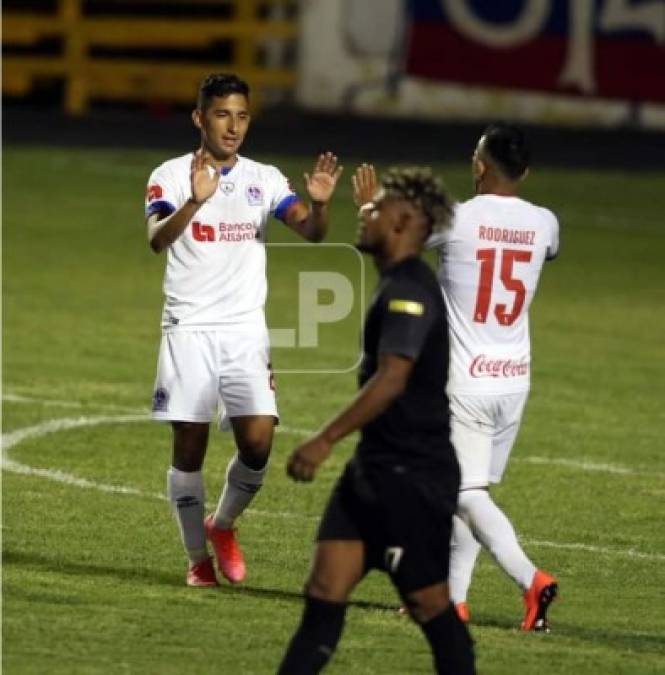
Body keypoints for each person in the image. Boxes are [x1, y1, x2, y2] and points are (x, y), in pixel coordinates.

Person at [144, 73, 343, 587]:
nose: (232, 127)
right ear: (199, 118)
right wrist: (196, 200)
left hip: (243, 332)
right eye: (221, 114)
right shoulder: (169, 176)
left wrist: (320, 205)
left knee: (258, 442)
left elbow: (312, 232)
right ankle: (197, 560)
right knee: (189, 449)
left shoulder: (266, 178)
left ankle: (223, 526)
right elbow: (156, 239)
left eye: (241, 116)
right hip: (189, 328)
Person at [278, 167, 475, 675]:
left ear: (404, 220)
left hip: (414, 476)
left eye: (376, 208)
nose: (364, 213)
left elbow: (392, 378)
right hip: (371, 471)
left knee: (430, 605)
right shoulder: (394, 279)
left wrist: (324, 440)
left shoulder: (412, 288)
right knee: (324, 590)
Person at [428, 122, 560, 631]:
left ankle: (532, 581)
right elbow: (547, 251)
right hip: (514, 379)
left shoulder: (454, 217)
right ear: (525, 172)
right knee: (473, 492)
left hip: (464, 381)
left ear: (478, 165)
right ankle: (453, 602)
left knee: (463, 494)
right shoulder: (545, 222)